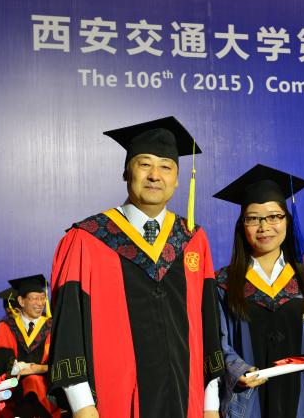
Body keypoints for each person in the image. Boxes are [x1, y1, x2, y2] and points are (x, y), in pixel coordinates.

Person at [48, 117, 224, 418]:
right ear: (126, 171)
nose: (155, 175)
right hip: (113, 402)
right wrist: (82, 406)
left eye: (166, 167)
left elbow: (208, 326)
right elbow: (69, 329)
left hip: (186, 401)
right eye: (145, 164)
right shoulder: (88, 239)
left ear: (177, 179)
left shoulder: (193, 239)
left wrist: (211, 405)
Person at [212, 164, 304, 418]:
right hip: (249, 399)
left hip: (300, 397)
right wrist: (237, 369)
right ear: (241, 225)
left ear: (287, 220)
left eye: (274, 216)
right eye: (253, 218)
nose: (264, 227)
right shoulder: (223, 284)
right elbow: (218, 342)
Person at [0, 274, 60, 417]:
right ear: (21, 301)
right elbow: (3, 363)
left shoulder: (53, 327)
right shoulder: (6, 327)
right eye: (35, 298)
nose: (40, 303)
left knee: (33, 381)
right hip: (14, 392)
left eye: (43, 298)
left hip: (46, 391)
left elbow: (59, 362)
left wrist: (35, 368)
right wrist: (16, 368)